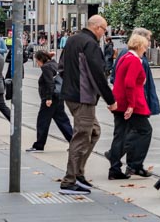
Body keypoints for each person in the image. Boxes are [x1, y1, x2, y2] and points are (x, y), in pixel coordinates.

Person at [58, 15, 116, 195]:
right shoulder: (90, 44)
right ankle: (69, 180)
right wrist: (111, 100)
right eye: (104, 29)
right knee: (82, 135)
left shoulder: (73, 40)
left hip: (71, 94)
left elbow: (61, 67)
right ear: (97, 28)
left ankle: (78, 173)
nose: (104, 33)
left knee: (93, 131)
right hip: (83, 96)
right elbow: (97, 74)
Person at [106, 34, 152, 179]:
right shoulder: (134, 60)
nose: (145, 49)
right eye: (144, 46)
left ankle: (115, 168)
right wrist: (131, 105)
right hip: (130, 103)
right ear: (139, 46)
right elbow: (129, 83)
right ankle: (135, 164)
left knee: (120, 134)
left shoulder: (124, 58)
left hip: (119, 101)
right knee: (145, 130)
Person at [27, 50, 73, 152]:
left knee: (42, 121)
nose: (37, 64)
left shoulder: (46, 67)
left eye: (37, 61)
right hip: (58, 97)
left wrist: (48, 98)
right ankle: (74, 143)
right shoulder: (53, 63)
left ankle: (39, 145)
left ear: (40, 59)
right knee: (62, 121)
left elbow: (49, 83)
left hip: (50, 99)